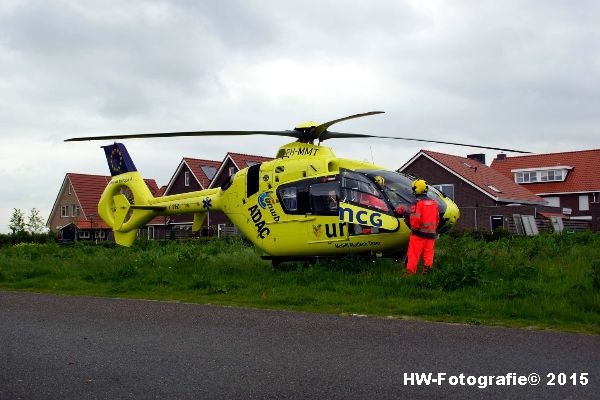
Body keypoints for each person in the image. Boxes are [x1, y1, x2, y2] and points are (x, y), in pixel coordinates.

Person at [405, 179, 439, 275]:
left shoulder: (417, 203)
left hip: (418, 234)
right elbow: (437, 218)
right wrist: (432, 230)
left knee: (413, 255)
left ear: (416, 189)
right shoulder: (434, 203)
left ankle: (410, 273)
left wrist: (414, 228)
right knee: (428, 255)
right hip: (431, 234)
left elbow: (415, 218)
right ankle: (427, 272)